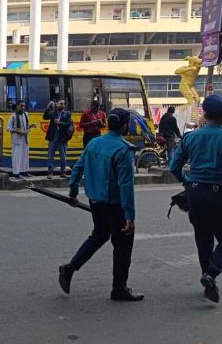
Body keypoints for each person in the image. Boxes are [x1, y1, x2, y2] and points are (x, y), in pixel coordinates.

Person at [59, 108, 144, 302]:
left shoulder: (94, 143)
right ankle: (119, 288)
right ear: (124, 125)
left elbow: (77, 170)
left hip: (95, 202)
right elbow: (125, 186)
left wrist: (73, 193)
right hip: (115, 206)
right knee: (123, 246)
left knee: (99, 235)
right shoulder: (123, 149)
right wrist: (130, 216)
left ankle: (70, 268)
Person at [170, 95, 222, 303]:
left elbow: (173, 167)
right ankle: (211, 274)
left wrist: (187, 182)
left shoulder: (190, 137)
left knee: (203, 238)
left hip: (195, 193)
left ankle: (207, 277)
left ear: (205, 115)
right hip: (221, 194)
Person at [44, 99, 73, 179]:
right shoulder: (53, 113)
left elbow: (68, 124)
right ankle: (50, 173)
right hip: (53, 137)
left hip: (62, 138)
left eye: (62, 104)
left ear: (64, 106)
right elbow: (45, 117)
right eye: (59, 103)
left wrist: (59, 123)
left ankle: (63, 172)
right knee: (50, 156)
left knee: (63, 157)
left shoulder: (67, 114)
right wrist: (47, 108)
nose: (60, 105)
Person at [7, 100, 31, 179]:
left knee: (25, 156)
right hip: (17, 139)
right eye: (21, 106)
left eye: (24, 106)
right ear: (17, 106)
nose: (23, 107)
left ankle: (24, 171)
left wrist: (31, 126)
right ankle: (16, 173)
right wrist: (17, 131)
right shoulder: (13, 116)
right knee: (17, 157)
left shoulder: (26, 115)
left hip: (25, 138)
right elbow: (8, 128)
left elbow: (26, 126)